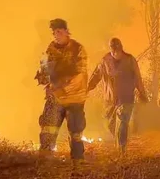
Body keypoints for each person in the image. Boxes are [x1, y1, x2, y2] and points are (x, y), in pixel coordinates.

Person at [34, 18, 89, 161]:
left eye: (58, 31)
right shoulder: (51, 48)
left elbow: (79, 74)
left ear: (66, 31)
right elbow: (46, 70)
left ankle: (77, 165)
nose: (55, 35)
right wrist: (42, 74)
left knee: (76, 133)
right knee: (47, 129)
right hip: (55, 97)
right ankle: (44, 163)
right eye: (54, 32)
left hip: (74, 97)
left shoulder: (78, 49)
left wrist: (59, 85)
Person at [88, 38, 149, 153]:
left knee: (122, 124)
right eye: (113, 50)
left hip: (126, 98)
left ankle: (121, 151)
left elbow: (137, 77)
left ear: (121, 48)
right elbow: (96, 75)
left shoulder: (130, 60)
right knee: (109, 124)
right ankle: (120, 142)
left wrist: (142, 93)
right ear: (110, 49)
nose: (115, 52)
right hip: (110, 100)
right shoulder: (105, 61)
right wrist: (88, 87)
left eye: (117, 50)